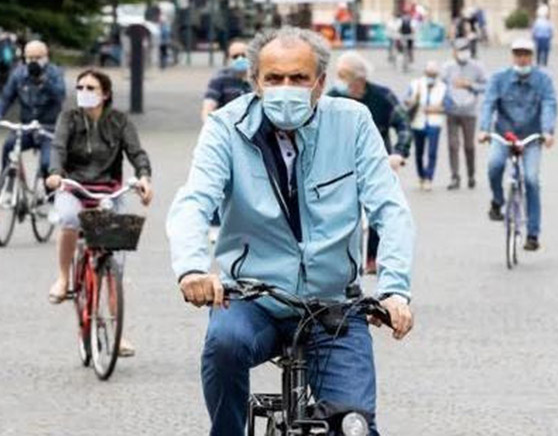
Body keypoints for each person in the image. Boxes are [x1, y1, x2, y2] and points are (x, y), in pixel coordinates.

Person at [167, 27, 414, 436]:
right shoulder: (226, 127)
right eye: (274, 78)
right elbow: (194, 201)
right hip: (251, 298)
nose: (286, 88)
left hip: (333, 304)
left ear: (320, 82)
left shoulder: (352, 122)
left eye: (299, 78)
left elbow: (390, 208)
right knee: (224, 344)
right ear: (255, 82)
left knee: (354, 428)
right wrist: (192, 268)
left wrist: (395, 290)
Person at [45, 69, 153, 354]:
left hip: (108, 190)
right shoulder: (68, 118)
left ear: (105, 93)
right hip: (74, 186)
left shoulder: (119, 121)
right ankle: (63, 278)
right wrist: (55, 174)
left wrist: (144, 178)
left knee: (114, 260)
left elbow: (137, 153)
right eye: (79, 86)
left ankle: (118, 333)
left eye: (90, 87)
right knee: (68, 218)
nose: (83, 91)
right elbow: (57, 149)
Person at [328, 51, 412, 275]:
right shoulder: (333, 98)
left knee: (381, 207)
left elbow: (404, 125)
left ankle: (374, 256)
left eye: (343, 75)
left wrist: (399, 153)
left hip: (377, 162)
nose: (338, 79)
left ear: (359, 78)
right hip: (340, 164)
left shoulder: (382, 96)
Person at [478, 38, 557, 252]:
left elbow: (549, 104)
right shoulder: (499, 78)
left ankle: (533, 233)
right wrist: (484, 129)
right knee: (494, 165)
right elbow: (488, 104)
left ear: (532, 56)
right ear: (512, 56)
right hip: (504, 134)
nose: (522, 58)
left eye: (526, 54)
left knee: (531, 180)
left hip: (531, 137)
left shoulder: (544, 80)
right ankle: (497, 201)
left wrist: (548, 131)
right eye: (518, 54)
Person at [0, 40, 65, 179]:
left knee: (47, 164)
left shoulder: (55, 73)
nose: (33, 61)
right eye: (30, 58)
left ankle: (50, 193)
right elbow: (6, 98)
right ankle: (6, 181)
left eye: (38, 58)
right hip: (26, 127)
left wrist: (44, 81)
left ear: (46, 57)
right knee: (9, 146)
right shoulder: (18, 74)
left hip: (49, 129)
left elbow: (60, 95)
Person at [441, 37, 486, 190]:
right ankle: (455, 176)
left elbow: (486, 86)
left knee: (469, 146)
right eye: (459, 50)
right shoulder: (447, 68)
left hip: (469, 111)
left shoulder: (477, 67)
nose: (462, 53)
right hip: (452, 111)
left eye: (465, 50)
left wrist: (470, 85)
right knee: (453, 145)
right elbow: (441, 86)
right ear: (454, 52)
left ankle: (471, 175)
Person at [404, 60, 446, 191]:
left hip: (434, 123)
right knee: (419, 152)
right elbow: (405, 100)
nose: (431, 77)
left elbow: (449, 105)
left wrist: (436, 109)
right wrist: (412, 100)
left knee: (432, 152)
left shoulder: (443, 87)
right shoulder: (415, 84)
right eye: (429, 73)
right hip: (418, 122)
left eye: (433, 74)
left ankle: (429, 177)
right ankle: (421, 175)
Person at [201, 40, 251, 122]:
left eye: (244, 55)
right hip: (228, 126)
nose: (240, 59)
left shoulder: (258, 78)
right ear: (228, 59)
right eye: (235, 56)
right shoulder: (220, 78)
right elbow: (208, 107)